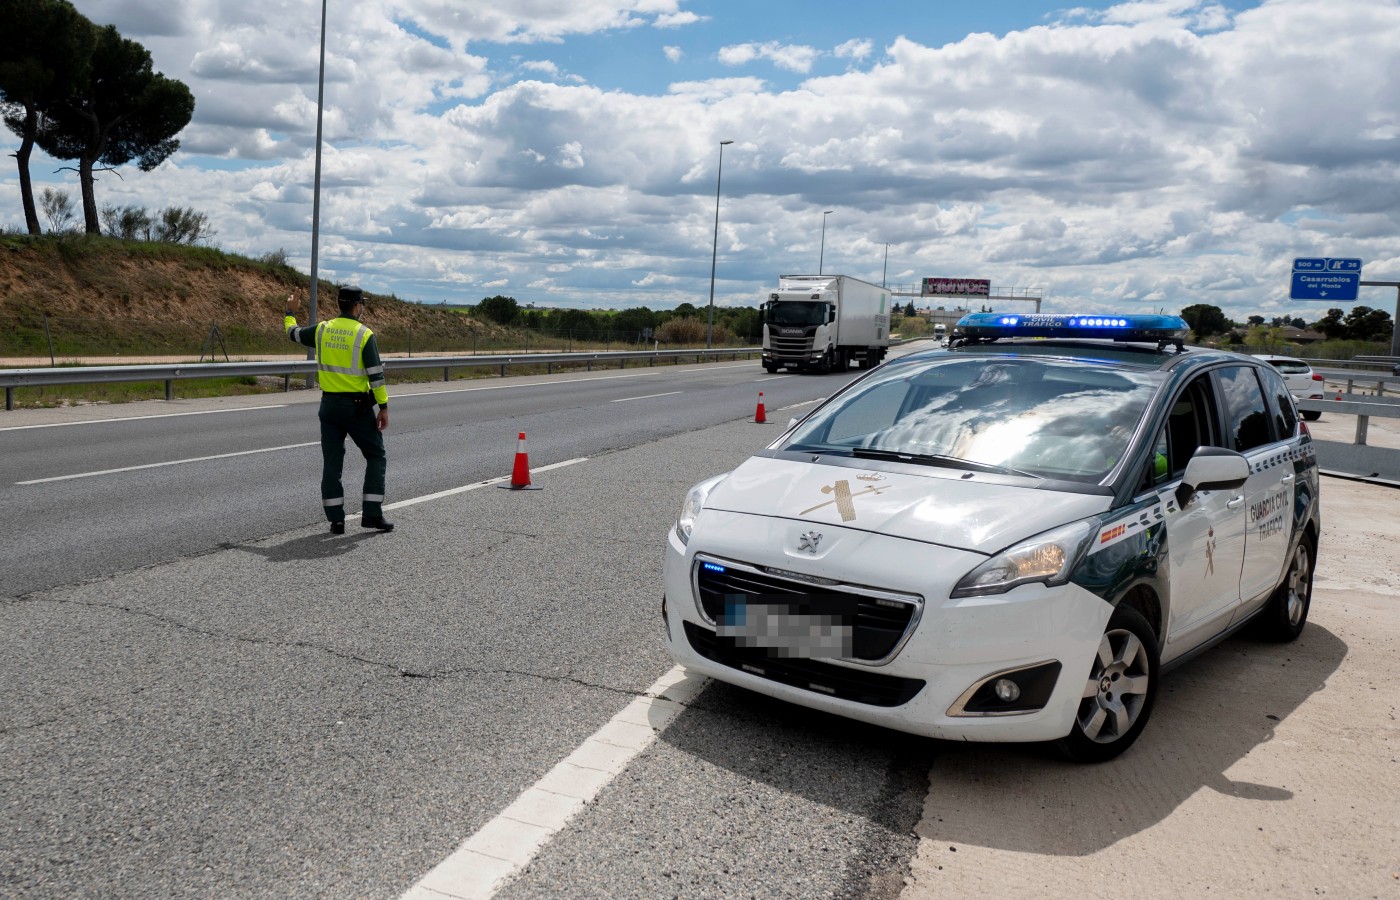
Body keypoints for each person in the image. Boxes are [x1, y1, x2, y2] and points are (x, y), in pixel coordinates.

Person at [284, 287, 394, 533]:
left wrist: (289, 311)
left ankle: (336, 520)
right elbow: (376, 376)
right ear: (357, 306)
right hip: (356, 408)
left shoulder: (323, 329)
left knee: (332, 463)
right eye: (361, 304)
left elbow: (293, 333)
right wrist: (383, 407)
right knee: (376, 455)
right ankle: (372, 514)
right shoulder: (364, 334)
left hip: (329, 406)